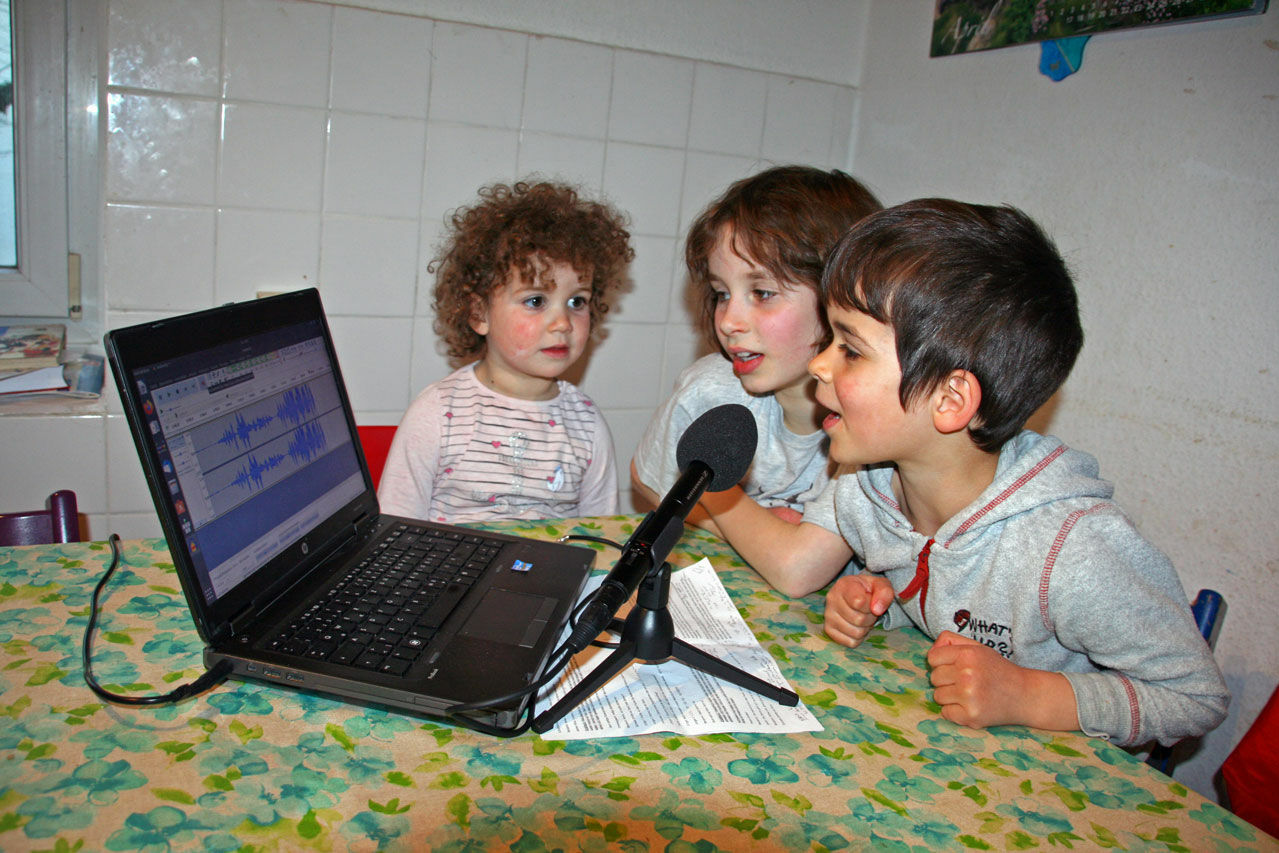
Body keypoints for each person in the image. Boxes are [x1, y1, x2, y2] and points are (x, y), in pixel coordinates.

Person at [705, 198, 1229, 747]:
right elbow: (945, 591)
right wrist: (874, 599)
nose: (819, 363)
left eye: (851, 350)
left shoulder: (1071, 550)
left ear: (951, 399)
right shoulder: (864, 489)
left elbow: (1196, 699)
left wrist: (1029, 694)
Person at [630, 165, 882, 593]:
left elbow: (798, 570)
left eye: (762, 293)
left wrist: (713, 496)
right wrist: (758, 524)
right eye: (722, 293)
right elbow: (646, 476)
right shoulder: (711, 390)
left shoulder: (872, 429)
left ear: (841, 299)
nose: (729, 321)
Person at [378, 180, 634, 523]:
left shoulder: (587, 425)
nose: (562, 323)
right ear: (479, 313)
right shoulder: (438, 414)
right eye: (536, 301)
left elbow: (603, 537)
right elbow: (394, 530)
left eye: (577, 302)